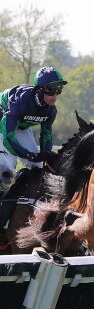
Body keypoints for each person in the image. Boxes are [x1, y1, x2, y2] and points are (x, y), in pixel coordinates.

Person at [0, 66, 65, 233]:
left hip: (20, 128)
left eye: (59, 90)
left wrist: (45, 154)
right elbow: (7, 137)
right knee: (6, 172)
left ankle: (23, 204)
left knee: (38, 168)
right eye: (51, 90)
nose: (55, 95)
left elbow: (46, 134)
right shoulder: (20, 100)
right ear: (39, 89)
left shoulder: (51, 110)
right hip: (3, 128)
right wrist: (27, 154)